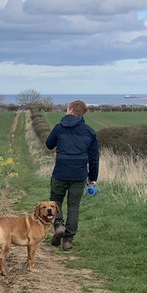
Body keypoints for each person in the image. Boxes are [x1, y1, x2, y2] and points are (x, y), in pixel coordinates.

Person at [44, 99, 99, 251]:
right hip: (79, 174)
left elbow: (49, 144)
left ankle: (59, 225)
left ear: (70, 109)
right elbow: (94, 158)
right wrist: (92, 178)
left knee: (56, 201)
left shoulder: (59, 128)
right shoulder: (90, 131)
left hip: (60, 172)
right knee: (74, 206)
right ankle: (68, 240)